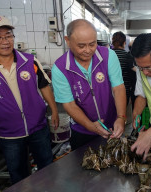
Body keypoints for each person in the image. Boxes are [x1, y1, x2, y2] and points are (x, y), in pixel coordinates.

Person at [0, 13, 59, 184]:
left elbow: (44, 86)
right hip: (8, 133)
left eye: (8, 36)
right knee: (18, 173)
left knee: (47, 167)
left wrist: (54, 111)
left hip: (38, 127)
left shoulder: (29, 61)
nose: (4, 41)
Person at [52, 19, 126, 150]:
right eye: (81, 46)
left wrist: (121, 117)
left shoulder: (108, 56)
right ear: (67, 41)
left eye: (92, 44)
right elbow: (69, 104)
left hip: (112, 126)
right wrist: (90, 126)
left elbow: (118, 88)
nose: (88, 50)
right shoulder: (60, 68)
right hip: (82, 130)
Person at [112, 31, 136, 106]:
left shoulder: (108, 55)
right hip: (124, 90)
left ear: (112, 42)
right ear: (124, 43)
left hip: (110, 90)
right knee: (122, 114)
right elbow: (132, 75)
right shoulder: (128, 56)